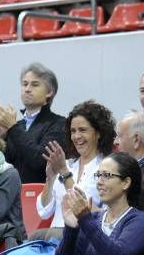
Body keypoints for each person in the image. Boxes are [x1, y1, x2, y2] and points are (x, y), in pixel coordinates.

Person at [54, 152, 144, 255]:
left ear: (126, 183)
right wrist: (71, 228)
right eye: (98, 175)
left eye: (107, 176)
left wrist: (85, 219)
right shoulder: (94, 218)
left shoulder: (141, 220)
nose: (99, 182)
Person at [37, 101, 116, 236]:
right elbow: (44, 212)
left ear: (98, 133)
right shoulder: (67, 164)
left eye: (83, 130)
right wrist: (50, 179)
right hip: (53, 238)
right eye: (73, 131)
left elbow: (105, 217)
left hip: (83, 239)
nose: (77, 136)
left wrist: (64, 173)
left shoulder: (109, 169)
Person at [0, 63, 66, 184]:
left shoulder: (59, 123)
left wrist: (12, 128)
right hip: (10, 195)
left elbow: (39, 161)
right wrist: (1, 138)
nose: (27, 89)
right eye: (24, 84)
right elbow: (2, 166)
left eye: (34, 85)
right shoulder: (15, 126)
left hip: (40, 195)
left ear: (49, 92)